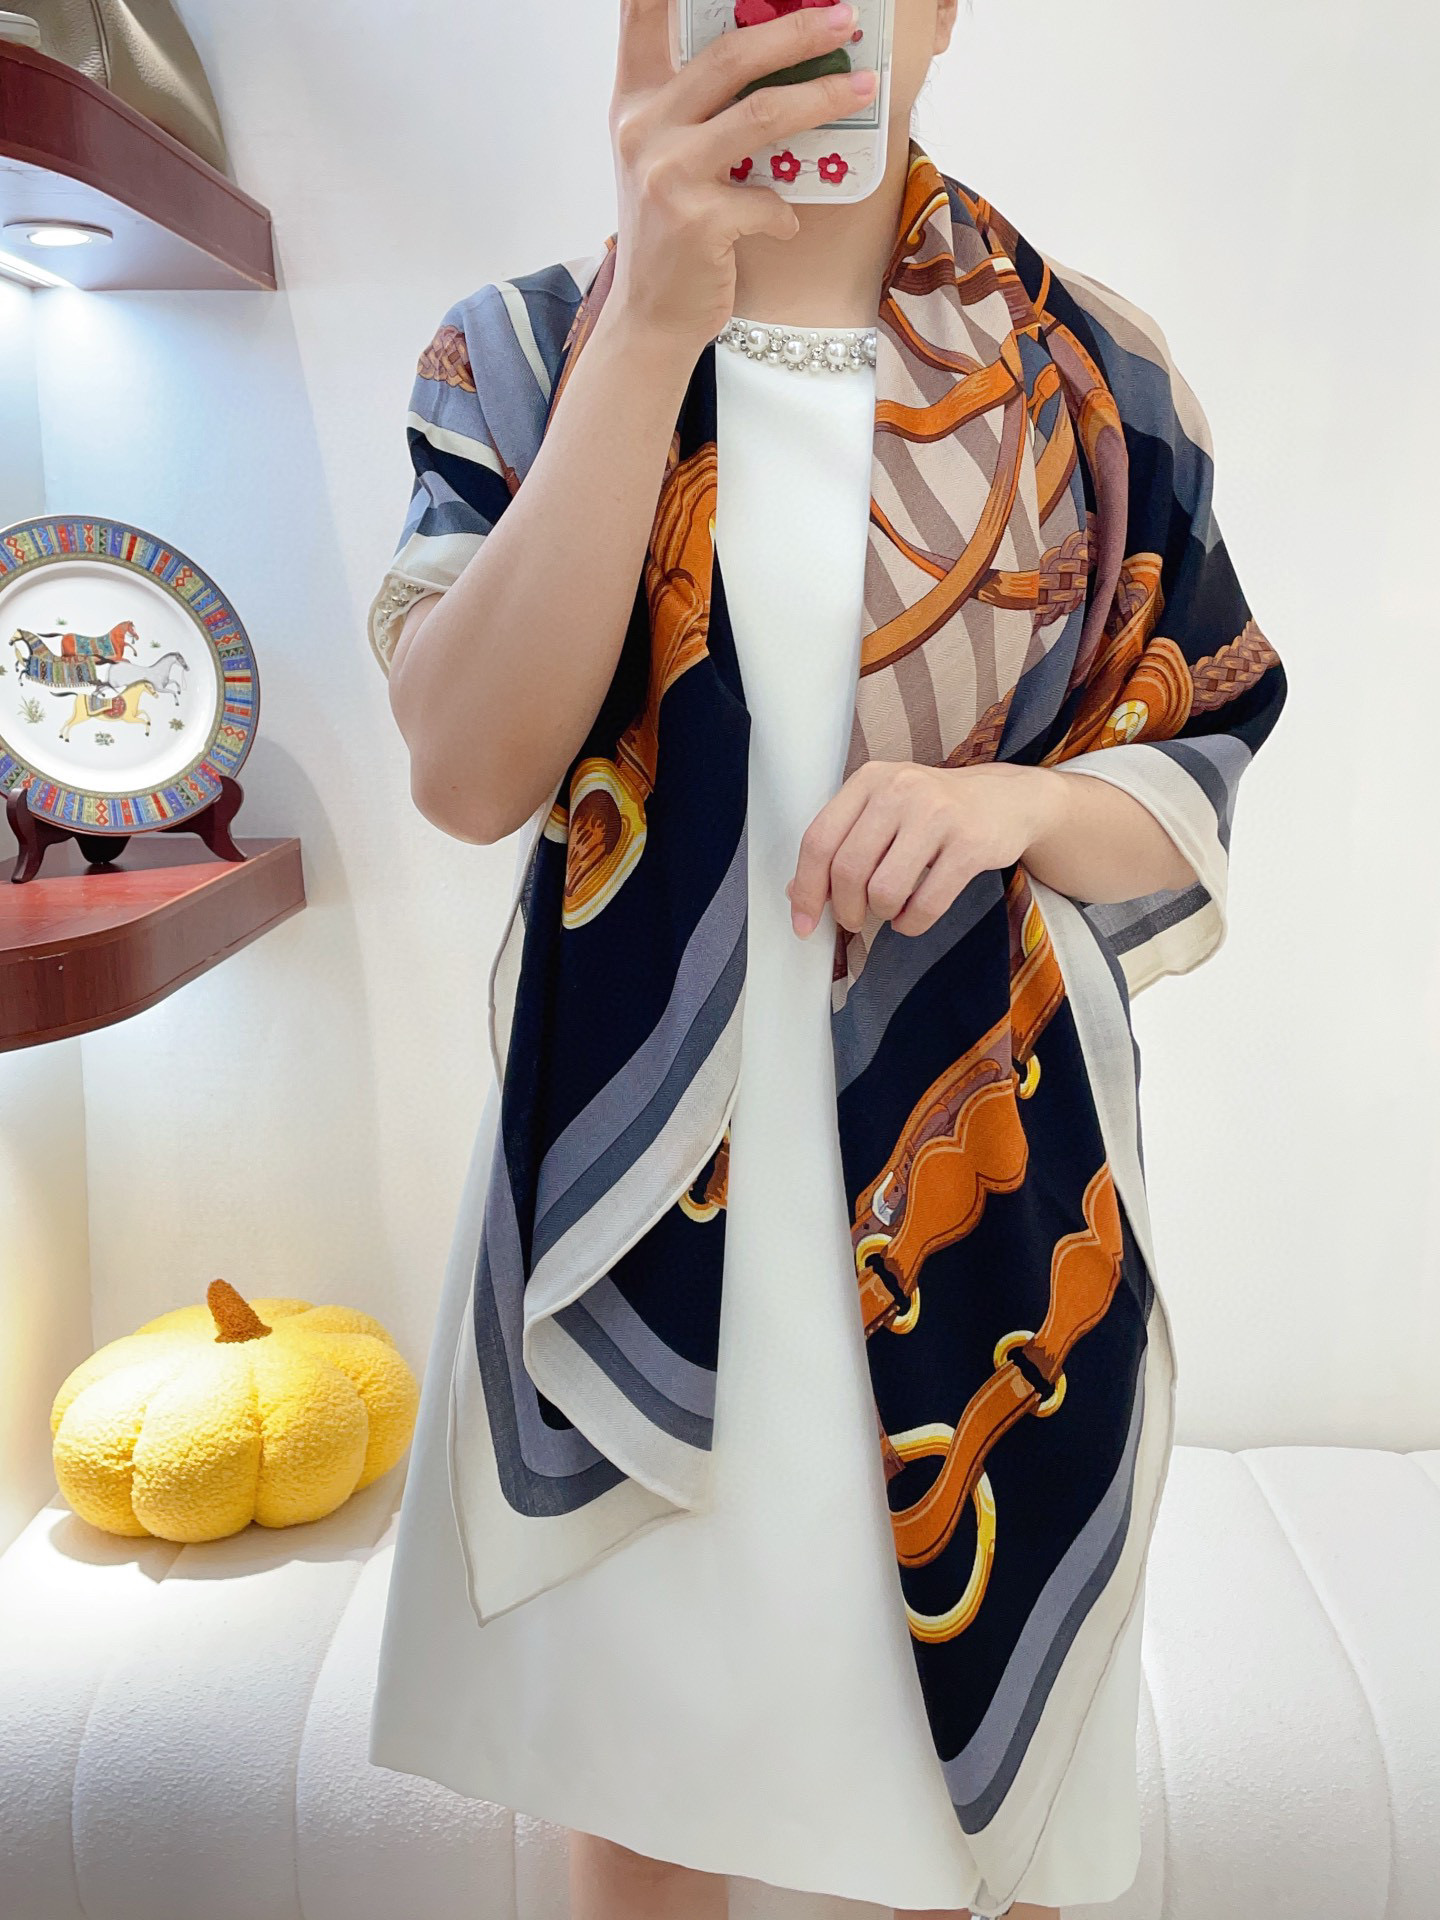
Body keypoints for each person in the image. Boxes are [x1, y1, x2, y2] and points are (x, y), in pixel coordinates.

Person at [365, 4, 1288, 1918]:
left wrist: (1012, 809)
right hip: (642, 1198)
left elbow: (1196, 761)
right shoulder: (528, 351)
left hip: (985, 1195)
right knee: (640, 1803)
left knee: (1001, 1822)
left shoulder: (1091, 384)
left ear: (943, 13)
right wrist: (650, 325)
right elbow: (465, 766)